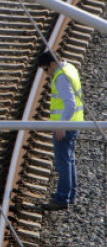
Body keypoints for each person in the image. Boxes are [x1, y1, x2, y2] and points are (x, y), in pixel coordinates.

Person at [36, 50, 83, 211]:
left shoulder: (61, 77)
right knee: (69, 160)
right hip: (74, 123)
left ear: (54, 64)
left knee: (63, 163)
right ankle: (70, 196)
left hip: (65, 126)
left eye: (45, 69)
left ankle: (62, 199)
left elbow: (70, 104)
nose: (45, 73)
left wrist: (62, 124)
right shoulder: (70, 68)